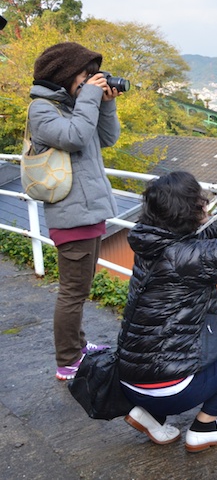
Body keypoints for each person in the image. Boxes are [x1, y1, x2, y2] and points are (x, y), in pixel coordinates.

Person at [117, 171, 217, 452]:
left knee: (165, 354)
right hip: (169, 390)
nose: (205, 203)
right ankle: (204, 427)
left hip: (129, 382)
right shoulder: (186, 258)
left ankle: (149, 415)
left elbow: (204, 240)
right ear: (188, 210)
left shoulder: (150, 244)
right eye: (199, 200)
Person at [29, 42, 122, 380]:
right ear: (65, 75)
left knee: (79, 290)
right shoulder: (42, 110)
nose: (90, 81)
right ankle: (68, 360)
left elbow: (106, 138)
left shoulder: (72, 106)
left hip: (89, 211)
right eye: (85, 75)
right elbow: (76, 138)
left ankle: (78, 347)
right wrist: (89, 100)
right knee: (72, 292)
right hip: (72, 215)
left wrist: (105, 105)